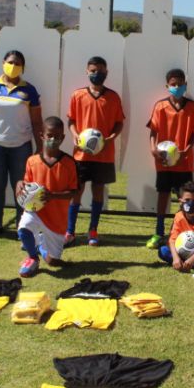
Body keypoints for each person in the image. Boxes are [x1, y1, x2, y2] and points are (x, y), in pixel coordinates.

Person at [0, 50, 43, 237]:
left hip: (21, 146)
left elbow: (37, 121)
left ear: (23, 68)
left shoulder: (29, 90)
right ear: (3, 63)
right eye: (10, 62)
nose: (13, 66)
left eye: (17, 63)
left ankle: (22, 226)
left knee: (21, 188)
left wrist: (40, 147)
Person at [66, 56, 125, 246]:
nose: (96, 73)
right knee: (76, 191)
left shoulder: (113, 97)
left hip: (104, 155)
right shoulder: (78, 95)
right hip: (81, 154)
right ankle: (70, 231)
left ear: (106, 72)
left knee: (98, 191)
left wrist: (111, 138)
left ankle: (93, 230)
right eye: (93, 70)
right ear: (87, 71)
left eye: (100, 70)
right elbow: (71, 120)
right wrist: (75, 135)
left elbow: (119, 122)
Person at [145, 68, 194, 249]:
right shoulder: (160, 106)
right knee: (163, 195)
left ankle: (183, 233)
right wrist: (153, 149)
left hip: (184, 162)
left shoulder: (192, 107)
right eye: (173, 84)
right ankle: (159, 232)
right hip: (164, 162)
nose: (177, 87)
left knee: (186, 199)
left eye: (180, 84)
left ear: (185, 85)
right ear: (167, 86)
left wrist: (187, 149)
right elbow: (153, 131)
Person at [16, 117, 78, 277]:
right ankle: (32, 257)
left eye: (57, 136)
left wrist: (52, 195)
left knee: (52, 262)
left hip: (56, 219)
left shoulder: (69, 163)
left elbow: (73, 193)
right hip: (36, 210)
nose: (53, 139)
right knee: (23, 229)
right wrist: (19, 184)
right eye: (50, 135)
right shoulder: (32, 161)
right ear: (42, 135)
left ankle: (40, 247)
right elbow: (27, 184)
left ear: (63, 138)